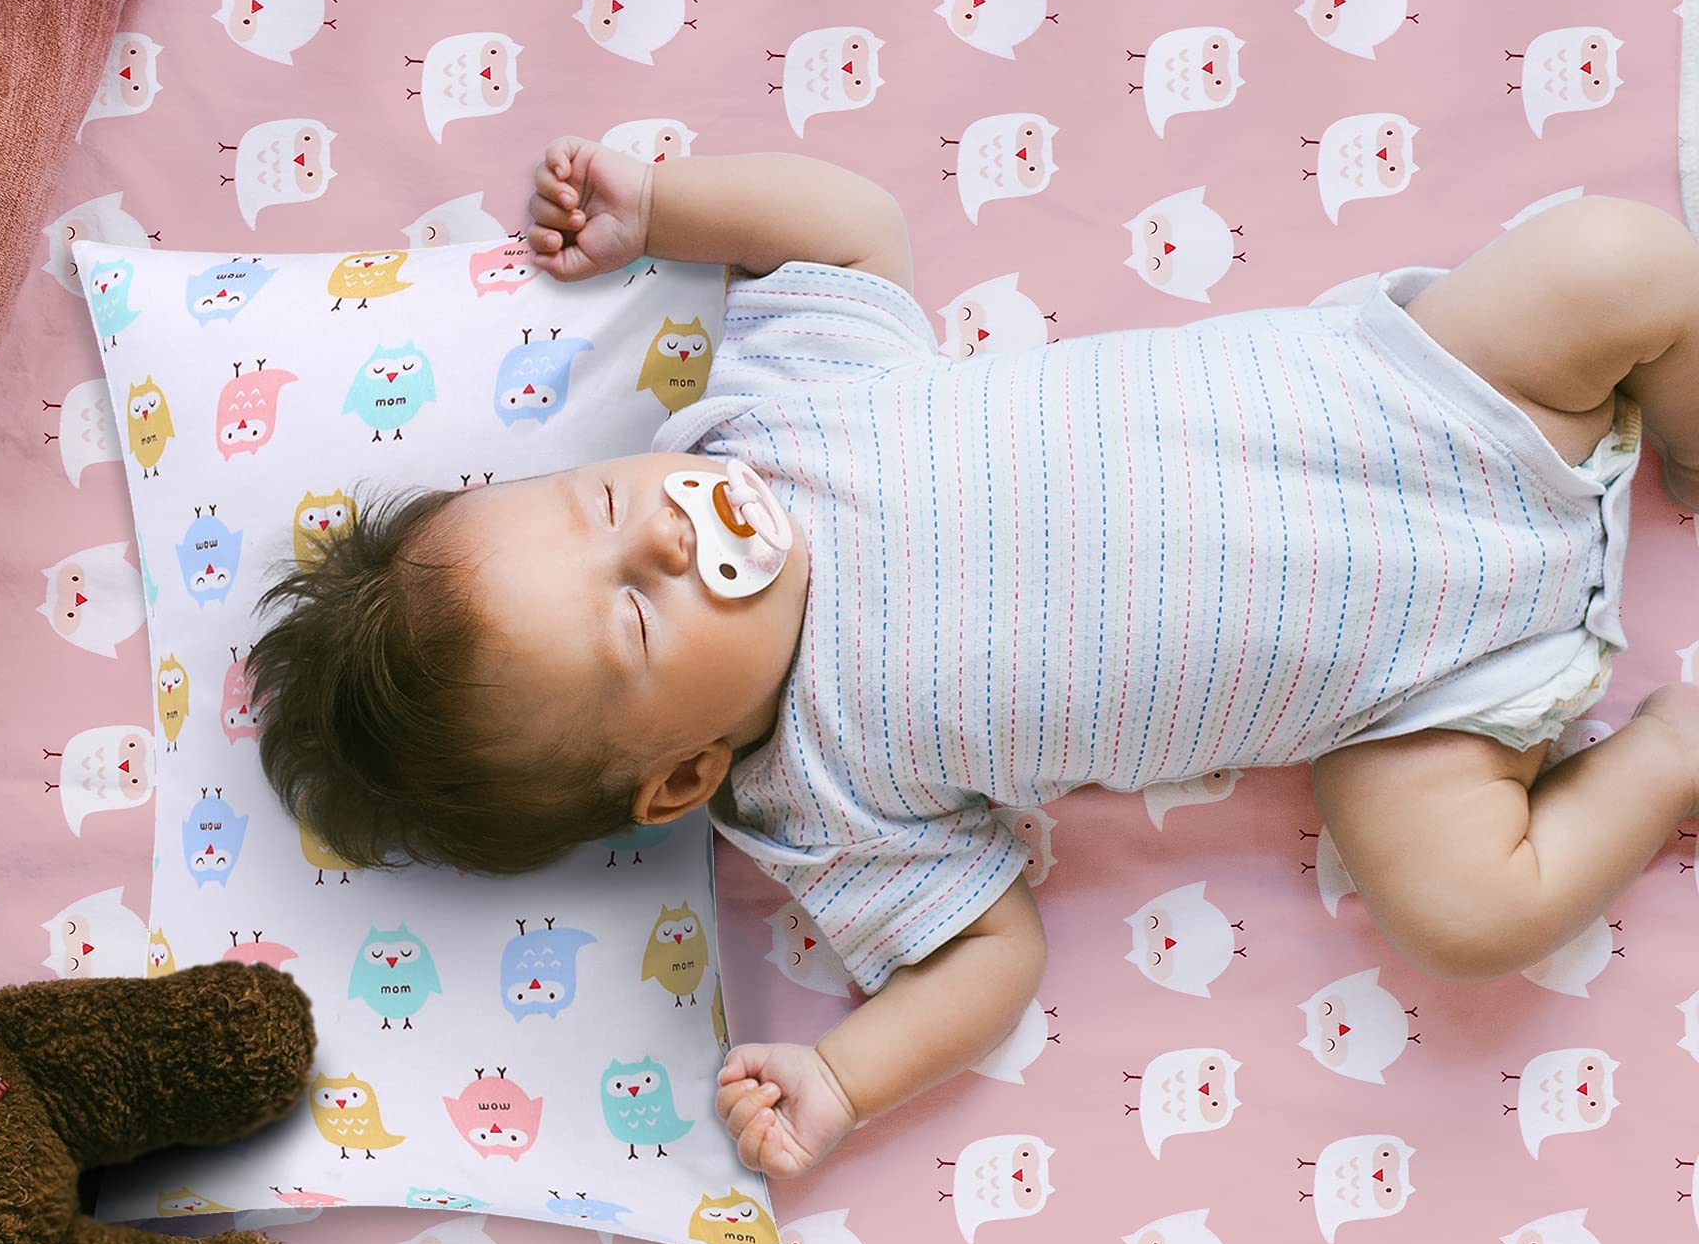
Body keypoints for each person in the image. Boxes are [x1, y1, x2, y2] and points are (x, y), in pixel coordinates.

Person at [246, 133, 1699, 1180]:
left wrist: (665, 203)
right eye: (635, 617)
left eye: (606, 503)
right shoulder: (818, 801)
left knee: (1615, 258)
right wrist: (842, 1076)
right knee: (1462, 911)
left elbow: (851, 227)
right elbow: (990, 957)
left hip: (1427, 402)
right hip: (1415, 696)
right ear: (680, 776)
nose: (670, 536)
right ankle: (1670, 753)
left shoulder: (778, 411)